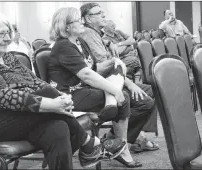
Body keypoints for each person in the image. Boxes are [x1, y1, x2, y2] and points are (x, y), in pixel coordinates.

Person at [0, 12, 126, 170]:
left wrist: (60, 97)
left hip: (9, 114)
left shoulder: (7, 57)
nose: (7, 38)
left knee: (57, 128)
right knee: (52, 114)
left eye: (8, 33)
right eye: (1, 34)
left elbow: (35, 82)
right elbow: (2, 96)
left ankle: (89, 148)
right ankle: (90, 145)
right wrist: (52, 104)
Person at [48, 7, 142, 168]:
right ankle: (122, 149)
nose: (81, 21)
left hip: (82, 89)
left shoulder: (79, 42)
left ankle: (111, 107)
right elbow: (86, 75)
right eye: (78, 20)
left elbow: (93, 68)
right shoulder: (63, 46)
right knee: (123, 97)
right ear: (67, 26)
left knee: (119, 79)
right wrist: (113, 90)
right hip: (68, 94)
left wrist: (115, 62)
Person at [79, 2, 159, 160]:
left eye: (103, 12)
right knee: (145, 101)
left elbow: (117, 59)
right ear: (88, 18)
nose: (104, 15)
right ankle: (124, 140)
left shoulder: (98, 34)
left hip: (112, 77)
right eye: (99, 13)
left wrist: (111, 47)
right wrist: (128, 82)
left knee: (150, 90)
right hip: (102, 83)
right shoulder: (88, 33)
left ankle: (122, 137)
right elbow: (107, 66)